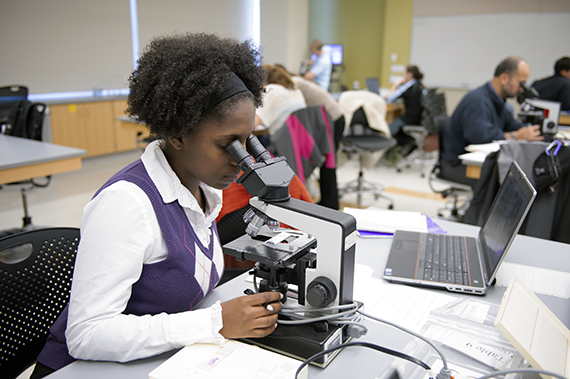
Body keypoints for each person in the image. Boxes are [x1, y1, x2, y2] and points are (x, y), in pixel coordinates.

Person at [30, 33, 283, 378]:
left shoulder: (204, 189)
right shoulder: (127, 205)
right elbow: (86, 335)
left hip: (158, 361)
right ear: (177, 135)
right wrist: (213, 323)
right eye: (228, 145)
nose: (241, 159)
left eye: (248, 141)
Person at [440, 56, 543, 187]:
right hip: (457, 166)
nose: (521, 89)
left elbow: (512, 125)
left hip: (477, 163)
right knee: (507, 183)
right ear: (504, 78)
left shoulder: (499, 102)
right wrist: (517, 136)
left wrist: (534, 131)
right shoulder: (477, 101)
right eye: (520, 83)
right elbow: (481, 137)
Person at [255, 64, 306, 140]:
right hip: (300, 140)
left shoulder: (270, 90)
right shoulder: (295, 90)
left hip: (283, 142)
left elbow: (254, 124)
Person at [385, 65, 425, 155]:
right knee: (395, 125)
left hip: (409, 118)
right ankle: (408, 142)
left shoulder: (408, 85)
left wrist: (395, 84)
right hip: (419, 118)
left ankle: (407, 143)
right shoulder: (420, 85)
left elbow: (390, 98)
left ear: (410, 74)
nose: (403, 75)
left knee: (387, 130)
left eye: (405, 73)